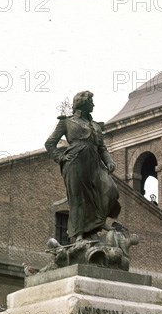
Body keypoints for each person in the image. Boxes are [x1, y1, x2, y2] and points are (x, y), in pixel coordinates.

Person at [45, 91, 121, 241]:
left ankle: (98, 222)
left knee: (110, 190)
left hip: (95, 163)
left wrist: (109, 161)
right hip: (75, 162)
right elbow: (50, 143)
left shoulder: (95, 125)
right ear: (83, 103)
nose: (93, 104)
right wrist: (60, 158)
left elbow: (102, 148)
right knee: (78, 198)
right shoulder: (66, 122)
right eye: (91, 102)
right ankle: (79, 233)